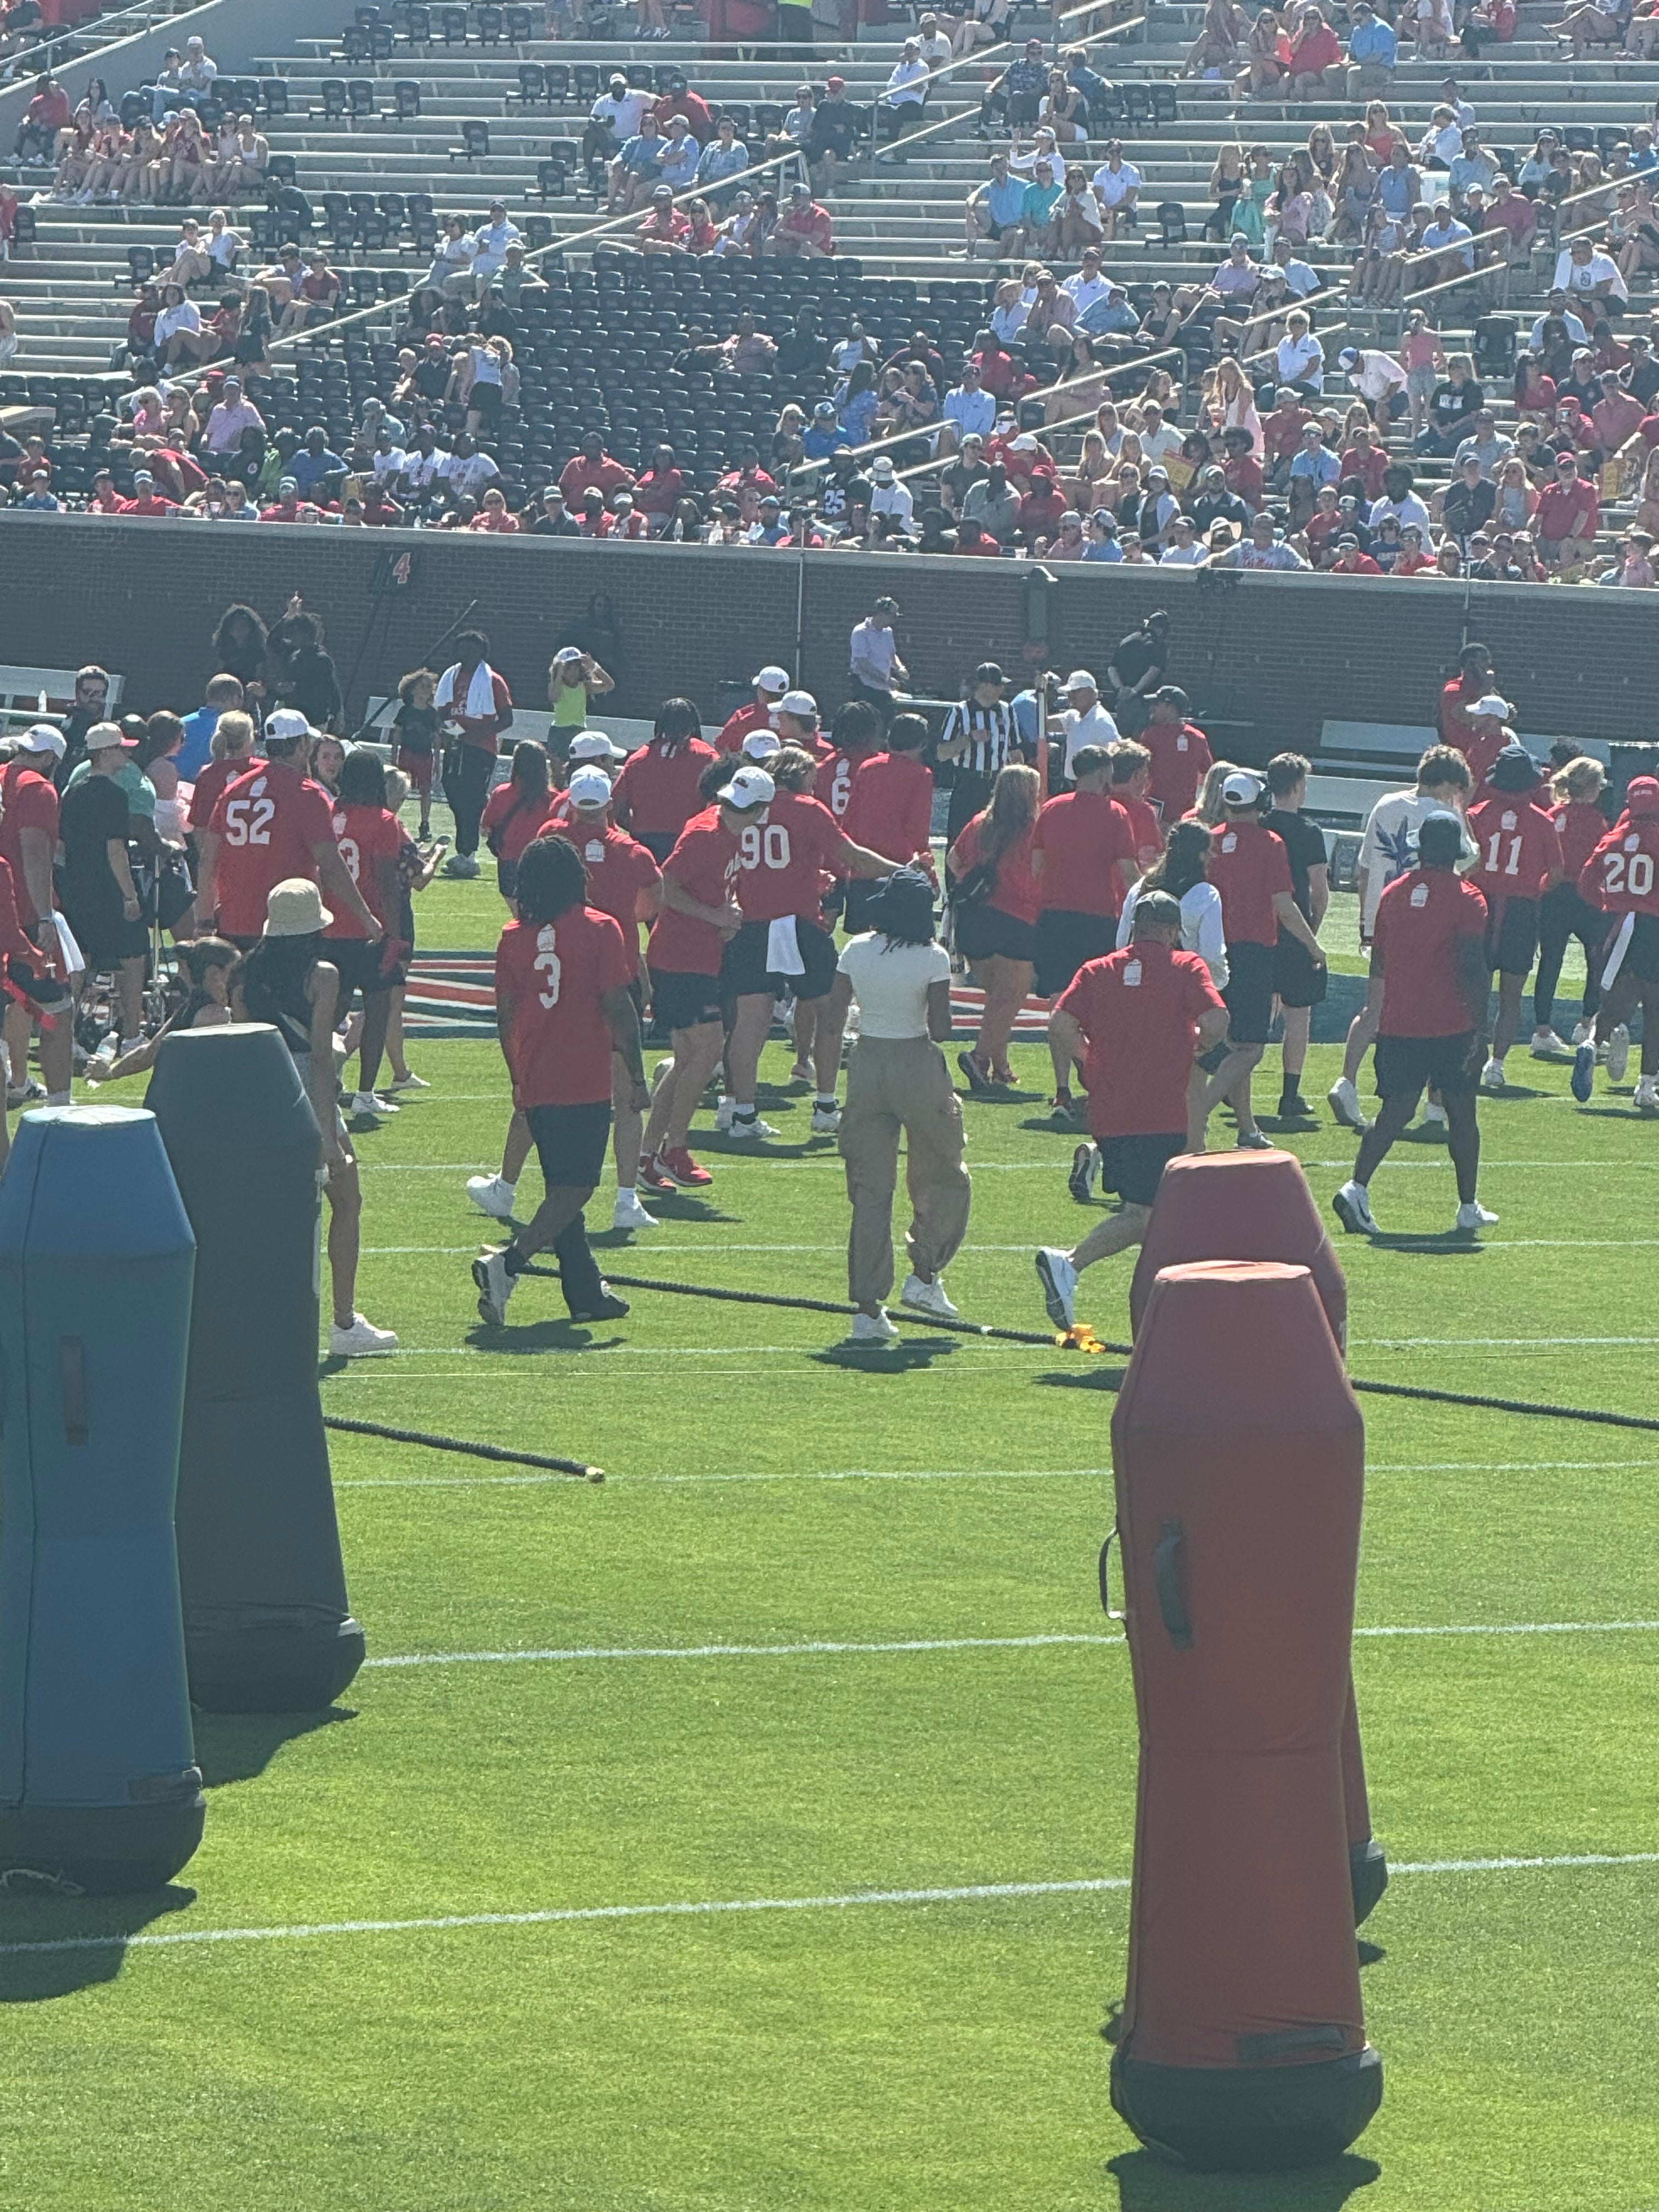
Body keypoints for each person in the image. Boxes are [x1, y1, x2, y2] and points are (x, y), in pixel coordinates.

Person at [469, 834, 642, 1331]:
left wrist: (516, 1076)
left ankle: (586, 1293)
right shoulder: (600, 928)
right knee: (577, 1188)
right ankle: (508, 1264)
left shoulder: (512, 937)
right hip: (583, 1077)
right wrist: (634, 1071)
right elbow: (619, 1007)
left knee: (559, 1187)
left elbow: (505, 1016)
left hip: (536, 1070)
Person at [1034, 891, 1230, 1330]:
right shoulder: (1185, 967)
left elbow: (1060, 1024)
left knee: (1161, 1215)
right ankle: (1070, 1263)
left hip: (1110, 1111)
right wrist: (1197, 1045)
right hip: (1161, 1111)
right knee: (1145, 1215)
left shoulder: (1098, 970)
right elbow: (1217, 1022)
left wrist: (1090, 1060)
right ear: (1171, 931)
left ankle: (1168, 1314)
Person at [225, 881, 396, 1358]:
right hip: (303, 1091)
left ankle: (260, 1323)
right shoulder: (322, 976)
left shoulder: (244, 975)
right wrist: (327, 1137)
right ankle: (344, 1322)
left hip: (259, 1091)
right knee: (347, 1200)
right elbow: (320, 1059)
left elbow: (243, 1046)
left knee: (268, 1218)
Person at [1333, 811, 1497, 1236]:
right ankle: (1467, 1205)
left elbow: (1381, 960)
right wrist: (1482, 1027)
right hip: (1450, 1024)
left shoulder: (1393, 893)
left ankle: (1357, 1186)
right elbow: (1471, 968)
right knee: (1462, 1113)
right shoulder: (1468, 897)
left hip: (1400, 1022)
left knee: (1395, 1111)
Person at [827, 868, 969, 1343]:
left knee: (870, 1191)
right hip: (914, 1061)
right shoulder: (932, 957)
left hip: (866, 1063)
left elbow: (832, 1016)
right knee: (945, 1172)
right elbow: (943, 1028)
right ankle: (924, 1273)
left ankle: (867, 1308)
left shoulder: (856, 950)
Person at [720, 749, 891, 1138]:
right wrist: (901, 871)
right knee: (831, 1014)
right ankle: (826, 1105)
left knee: (749, 1023)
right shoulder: (807, 809)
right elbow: (851, 857)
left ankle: (740, 1110)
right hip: (798, 923)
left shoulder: (738, 810)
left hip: (751, 923)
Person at [1328, 743, 1475, 1132]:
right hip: (1430, 925)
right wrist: (1460, 811)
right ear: (1448, 783)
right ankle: (1434, 1108)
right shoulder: (1445, 816)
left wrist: (1366, 922)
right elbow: (1467, 862)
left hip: (1384, 917)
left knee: (1374, 1008)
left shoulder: (1386, 804)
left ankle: (1346, 1080)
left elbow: (1364, 869)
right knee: (1433, 1012)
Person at [1192, 771, 1325, 1149]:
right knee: (1250, 1047)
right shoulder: (1270, 843)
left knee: (1234, 1042)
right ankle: (1196, 1111)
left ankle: (1247, 1128)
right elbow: (1283, 905)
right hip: (1252, 951)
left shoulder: (1211, 840)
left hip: (1212, 948)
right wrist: (1313, 946)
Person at [195, 709, 378, 952]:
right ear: (302, 744)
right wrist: (366, 917)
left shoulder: (235, 790)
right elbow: (331, 864)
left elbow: (208, 860)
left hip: (234, 919)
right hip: (289, 922)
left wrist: (205, 919)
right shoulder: (306, 794)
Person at [1032, 745, 1139, 1122]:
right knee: (1099, 1007)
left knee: (1059, 1004)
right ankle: (1096, 1073)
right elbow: (1128, 871)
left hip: (1055, 916)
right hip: (1096, 917)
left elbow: (1036, 865)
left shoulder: (1052, 809)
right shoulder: (1115, 814)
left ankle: (1062, 1090)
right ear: (1104, 772)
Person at [1467, 745, 1565, 1088]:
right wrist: (1532, 886)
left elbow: (1465, 866)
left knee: (1474, 990)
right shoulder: (1543, 820)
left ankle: (1470, 1054)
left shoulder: (1476, 814)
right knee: (1511, 994)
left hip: (1481, 906)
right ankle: (1496, 1063)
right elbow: (1555, 873)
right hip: (1520, 910)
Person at [324, 748, 409, 1124]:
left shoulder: (329, 814)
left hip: (327, 926)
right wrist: (395, 931)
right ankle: (365, 1093)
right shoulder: (384, 820)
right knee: (377, 1011)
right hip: (369, 928)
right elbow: (387, 880)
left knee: (329, 1011)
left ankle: (320, 1079)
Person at [949, 761, 1041, 1093]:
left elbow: (954, 860)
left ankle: (999, 1065)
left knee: (997, 999)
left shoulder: (978, 824)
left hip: (974, 921)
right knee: (1011, 998)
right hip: (1016, 921)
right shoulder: (1034, 830)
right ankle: (979, 1057)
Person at [1572, 774, 1659, 1114]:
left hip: (1615, 923)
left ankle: (1592, 1043)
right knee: (1655, 1011)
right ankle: (1646, 1085)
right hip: (1652, 926)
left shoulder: (1612, 837)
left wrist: (1611, 904)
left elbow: (1586, 884)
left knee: (1611, 1004)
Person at [1262, 751, 1330, 1120]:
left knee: (1252, 1010)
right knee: (1298, 1015)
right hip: (1295, 929)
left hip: (1259, 926)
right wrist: (1311, 931)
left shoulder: (1259, 825)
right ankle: (1290, 1092)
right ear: (1299, 787)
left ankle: (1229, 1081)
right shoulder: (1307, 832)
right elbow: (1319, 889)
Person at [1533, 754, 1610, 1054]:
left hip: (1553, 894)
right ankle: (1587, 1022)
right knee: (1596, 962)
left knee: (1550, 962)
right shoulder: (1594, 820)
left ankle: (1542, 1028)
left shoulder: (1553, 814)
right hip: (1585, 896)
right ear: (1591, 787)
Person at [434, 632, 512, 878]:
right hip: (456, 746)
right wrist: (446, 728)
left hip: (481, 748)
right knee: (454, 792)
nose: (465, 655)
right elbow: (442, 709)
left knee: (470, 798)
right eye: (461, 649)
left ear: (481, 653)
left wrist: (477, 735)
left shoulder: (492, 681)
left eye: (470, 650)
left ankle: (468, 853)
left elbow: (507, 718)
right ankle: (471, 842)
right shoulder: (450, 677)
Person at [608, 698, 718, 864]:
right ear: (693, 725)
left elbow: (616, 809)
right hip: (690, 842)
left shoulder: (639, 759)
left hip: (645, 845)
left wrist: (640, 829)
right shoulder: (707, 757)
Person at [939, 663, 1020, 845]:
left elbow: (1015, 749)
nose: (1002, 689)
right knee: (960, 837)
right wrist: (969, 739)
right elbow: (942, 753)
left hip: (997, 784)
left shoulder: (1007, 711)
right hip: (968, 782)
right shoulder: (960, 712)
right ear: (984, 686)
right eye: (998, 685)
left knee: (995, 840)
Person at [481, 742, 558, 903]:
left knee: (518, 912)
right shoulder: (554, 799)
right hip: (544, 861)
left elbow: (485, 828)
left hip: (510, 859)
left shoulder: (501, 793)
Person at [391, 667, 441, 840]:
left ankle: (425, 824)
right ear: (412, 689)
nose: (426, 691)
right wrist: (393, 756)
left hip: (425, 755)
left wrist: (437, 762)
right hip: (407, 753)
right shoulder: (405, 711)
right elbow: (397, 735)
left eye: (429, 687)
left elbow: (436, 739)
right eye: (422, 687)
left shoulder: (431, 714)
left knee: (425, 790)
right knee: (399, 788)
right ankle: (391, 820)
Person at [848, 597, 908, 715]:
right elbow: (862, 663)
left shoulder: (888, 632)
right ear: (881, 614)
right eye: (892, 616)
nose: (894, 620)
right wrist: (886, 679)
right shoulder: (861, 632)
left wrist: (900, 668)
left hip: (884, 689)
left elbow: (892, 655)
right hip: (865, 688)